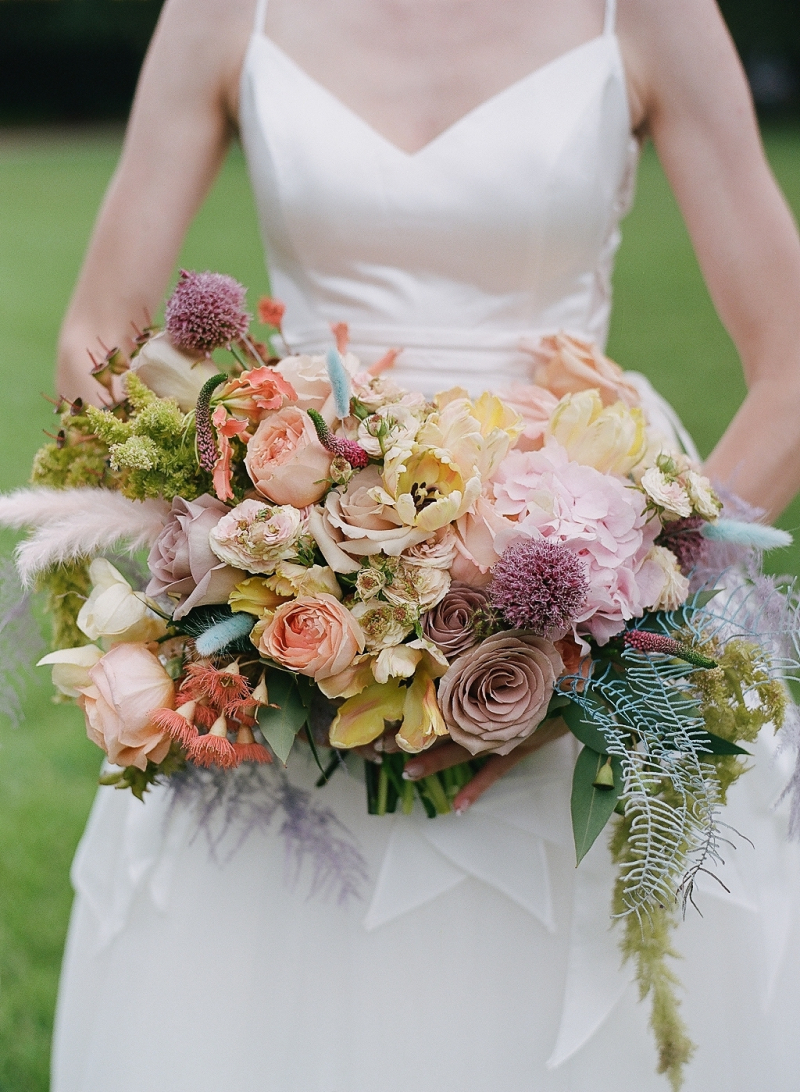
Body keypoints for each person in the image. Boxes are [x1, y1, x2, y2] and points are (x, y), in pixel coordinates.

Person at [51, 1, 800, 1089]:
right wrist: (247, 557)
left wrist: (636, 608)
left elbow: (786, 359)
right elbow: (94, 332)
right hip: (288, 542)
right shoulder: (223, 12)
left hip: (583, 546)